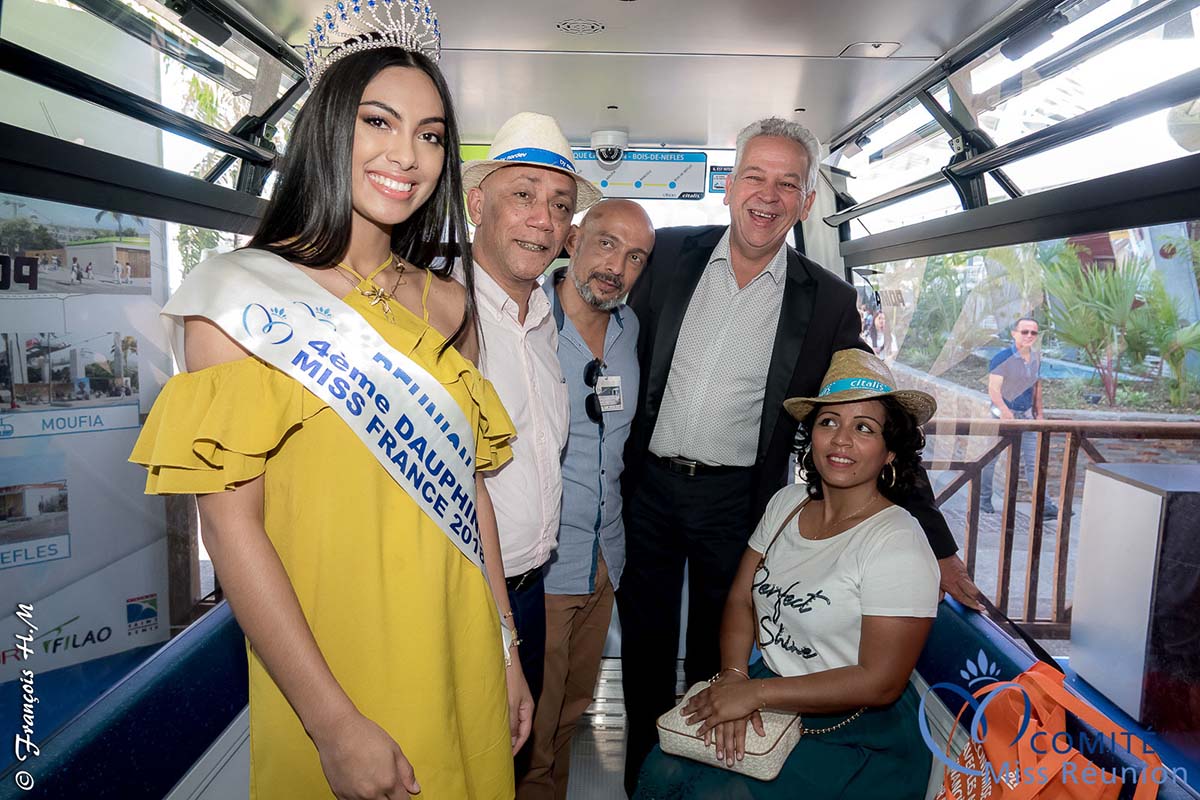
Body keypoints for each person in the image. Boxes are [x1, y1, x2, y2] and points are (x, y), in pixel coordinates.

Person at [130, 6, 533, 797]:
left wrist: (508, 650)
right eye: (378, 121)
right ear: (327, 126)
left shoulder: (450, 305)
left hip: (464, 648)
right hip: (335, 666)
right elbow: (231, 527)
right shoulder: (240, 300)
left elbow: (470, 492)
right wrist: (332, 722)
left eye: (431, 134)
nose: (406, 155)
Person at [618, 116, 981, 792]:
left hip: (736, 499)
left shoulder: (829, 300)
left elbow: (878, 421)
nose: (768, 194)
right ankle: (650, 776)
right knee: (642, 650)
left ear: (807, 203)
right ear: (729, 187)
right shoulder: (666, 256)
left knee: (713, 657)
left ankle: (710, 770)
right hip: (648, 490)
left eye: (788, 183)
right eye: (754, 176)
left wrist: (939, 545)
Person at [634, 349, 939, 800]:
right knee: (662, 769)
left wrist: (756, 696)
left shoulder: (898, 542)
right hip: (766, 686)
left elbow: (881, 681)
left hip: (852, 728)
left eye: (864, 428)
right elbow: (740, 599)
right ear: (810, 436)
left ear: (890, 450)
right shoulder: (786, 505)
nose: (841, 441)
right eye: (828, 422)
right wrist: (736, 675)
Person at [460, 111, 603, 778]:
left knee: (511, 768)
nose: (543, 220)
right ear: (477, 203)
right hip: (461, 597)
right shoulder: (438, 314)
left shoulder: (545, 319)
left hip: (533, 589)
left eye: (559, 204)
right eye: (523, 194)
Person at [518, 199, 656, 800]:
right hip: (542, 563)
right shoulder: (524, 324)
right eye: (605, 244)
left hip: (605, 558)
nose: (616, 266)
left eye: (634, 257)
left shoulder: (631, 332)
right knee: (530, 720)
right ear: (573, 241)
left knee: (573, 708)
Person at [980, 316, 1057, 518]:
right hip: (1002, 416)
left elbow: (1036, 387)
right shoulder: (1002, 358)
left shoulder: (1036, 358)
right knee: (990, 459)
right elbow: (994, 390)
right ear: (1014, 333)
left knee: (1034, 461)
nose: (1029, 336)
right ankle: (983, 499)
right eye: (1025, 332)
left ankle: (1045, 506)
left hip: (1026, 417)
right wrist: (1006, 413)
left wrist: (1039, 413)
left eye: (1033, 332)